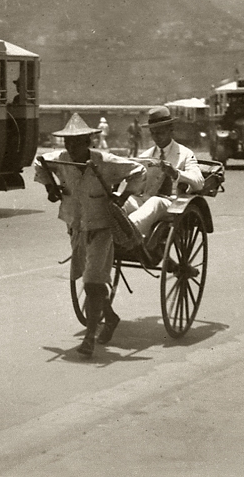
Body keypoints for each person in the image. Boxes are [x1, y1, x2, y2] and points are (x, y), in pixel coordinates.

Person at [34, 113, 144, 358]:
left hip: (102, 227)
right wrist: (50, 187)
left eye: (78, 142)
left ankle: (89, 338)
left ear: (89, 142)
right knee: (87, 275)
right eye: (68, 143)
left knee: (93, 282)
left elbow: (138, 170)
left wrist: (123, 197)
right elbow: (39, 162)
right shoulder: (61, 159)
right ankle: (111, 317)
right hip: (76, 225)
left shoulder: (105, 161)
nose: (72, 148)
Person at [124, 106, 204, 240]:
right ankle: (112, 229)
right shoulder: (146, 155)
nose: (157, 137)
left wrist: (176, 174)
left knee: (155, 202)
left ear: (170, 130)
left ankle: (128, 232)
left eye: (160, 133)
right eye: (153, 133)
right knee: (124, 200)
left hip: (171, 205)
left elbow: (199, 182)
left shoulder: (185, 154)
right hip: (145, 200)